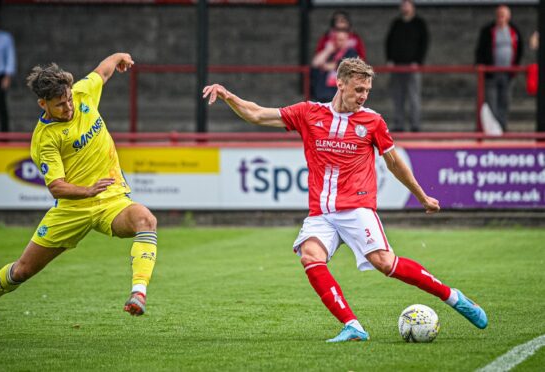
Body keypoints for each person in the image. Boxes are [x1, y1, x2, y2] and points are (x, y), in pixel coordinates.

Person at [202, 58, 487, 342]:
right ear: (340, 83)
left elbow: (394, 163)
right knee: (310, 256)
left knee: (384, 263)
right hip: (321, 212)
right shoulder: (308, 113)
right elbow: (257, 114)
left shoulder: (372, 121)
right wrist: (228, 96)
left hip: (357, 208)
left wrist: (422, 196)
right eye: (358, 89)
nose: (363, 97)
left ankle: (455, 298)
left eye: (367, 91)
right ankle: (353, 326)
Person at [0, 53, 158, 338]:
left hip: (111, 200)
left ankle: (138, 294)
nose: (69, 107)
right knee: (22, 271)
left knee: (146, 219)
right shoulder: (45, 139)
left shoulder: (82, 93)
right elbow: (57, 186)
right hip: (71, 210)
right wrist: (87, 190)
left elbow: (103, 71)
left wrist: (119, 56)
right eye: (60, 105)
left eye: (69, 99)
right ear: (43, 104)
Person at [475, 5, 523, 130]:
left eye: (504, 15)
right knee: (491, 101)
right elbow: (480, 50)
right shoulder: (488, 31)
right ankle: (492, 129)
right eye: (499, 15)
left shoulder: (514, 31)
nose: (501, 18)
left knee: (505, 101)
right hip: (492, 73)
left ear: (508, 17)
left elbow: (519, 49)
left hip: (508, 73)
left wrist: (515, 67)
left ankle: (502, 126)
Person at [385, 0, 428, 132]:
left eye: (407, 4)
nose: (405, 7)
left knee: (414, 96)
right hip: (397, 66)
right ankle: (399, 124)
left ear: (413, 7)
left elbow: (424, 44)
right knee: (398, 96)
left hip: (413, 66)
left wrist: (418, 61)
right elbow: (388, 42)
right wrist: (390, 59)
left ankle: (415, 124)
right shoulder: (396, 23)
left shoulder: (419, 24)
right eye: (403, 5)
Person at [311, 29, 359, 102]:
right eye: (338, 40)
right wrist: (327, 50)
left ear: (347, 40)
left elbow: (337, 66)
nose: (340, 42)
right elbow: (315, 63)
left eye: (343, 40)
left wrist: (325, 65)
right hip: (324, 94)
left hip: (340, 95)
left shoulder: (351, 52)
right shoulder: (331, 52)